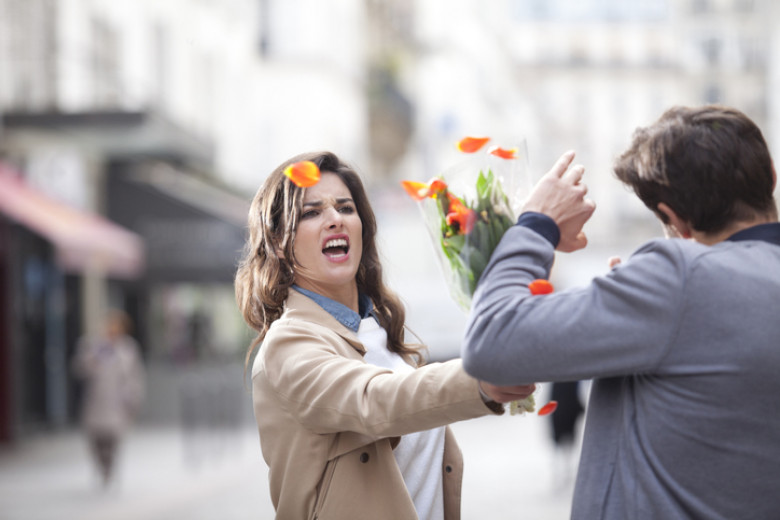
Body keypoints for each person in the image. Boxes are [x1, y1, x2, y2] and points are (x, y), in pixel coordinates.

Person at [462, 105, 780, 518]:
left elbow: (491, 342)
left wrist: (537, 224)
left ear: (673, 219)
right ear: (770, 176)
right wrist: (631, 309)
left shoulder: (679, 279)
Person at [234, 151, 535, 520]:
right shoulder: (288, 345)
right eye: (312, 213)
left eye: (345, 208)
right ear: (280, 243)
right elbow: (375, 400)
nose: (334, 219)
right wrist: (481, 380)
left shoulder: (377, 329)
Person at [72, 309, 145, 488]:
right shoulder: (91, 345)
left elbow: (136, 376)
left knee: (113, 438)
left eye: (116, 326)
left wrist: (134, 398)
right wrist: (94, 357)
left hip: (118, 403)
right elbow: (79, 369)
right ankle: (101, 466)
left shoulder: (129, 348)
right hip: (95, 401)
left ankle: (109, 469)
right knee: (96, 438)